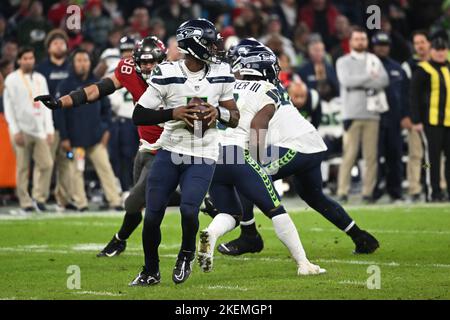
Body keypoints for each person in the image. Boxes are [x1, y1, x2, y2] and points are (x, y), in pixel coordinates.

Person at [206, 40, 378, 259]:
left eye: (235, 64)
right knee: (314, 197)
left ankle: (249, 235)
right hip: (308, 143)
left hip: (295, 145)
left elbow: (249, 131)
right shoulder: (264, 86)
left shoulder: (246, 89)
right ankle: (360, 236)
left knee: (245, 175)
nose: (233, 69)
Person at [198, 44, 327, 276]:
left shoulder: (225, 85)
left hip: (210, 156)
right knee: (276, 209)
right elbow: (258, 126)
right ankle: (304, 264)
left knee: (231, 213)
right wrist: (256, 162)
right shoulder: (268, 89)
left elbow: (201, 121)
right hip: (236, 154)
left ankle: (211, 233)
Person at [129, 18, 239, 286]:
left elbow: (234, 117)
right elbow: (138, 114)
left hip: (203, 153)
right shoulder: (167, 73)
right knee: (152, 214)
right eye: (210, 42)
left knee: (189, 210)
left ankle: (186, 255)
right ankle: (150, 271)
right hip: (170, 150)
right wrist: (173, 112)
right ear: (195, 43)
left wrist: (219, 112)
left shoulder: (221, 71)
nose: (215, 47)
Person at [35, 36, 167, 256]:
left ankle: (168, 260)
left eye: (153, 61)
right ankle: (120, 240)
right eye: (143, 62)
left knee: (139, 201)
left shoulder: (176, 76)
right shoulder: (127, 70)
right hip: (145, 147)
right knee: (136, 205)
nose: (148, 66)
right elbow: (98, 89)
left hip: (170, 148)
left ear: (162, 60)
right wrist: (62, 102)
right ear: (135, 61)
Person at [53, 49, 121, 211]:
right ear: (73, 63)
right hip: (76, 141)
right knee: (76, 171)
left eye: (85, 60)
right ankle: (81, 203)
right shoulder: (65, 85)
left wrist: (106, 131)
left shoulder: (97, 82)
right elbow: (59, 114)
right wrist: (64, 138)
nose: (83, 64)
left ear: (90, 63)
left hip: (96, 138)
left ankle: (115, 201)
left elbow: (107, 109)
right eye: (79, 60)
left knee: (105, 168)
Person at [335, 27, 389, 203]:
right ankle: (343, 191)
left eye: (363, 39)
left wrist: (363, 80)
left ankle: (368, 192)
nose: (360, 42)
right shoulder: (343, 61)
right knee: (349, 155)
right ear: (350, 42)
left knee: (371, 157)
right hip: (351, 113)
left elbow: (384, 80)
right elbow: (347, 81)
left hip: (372, 113)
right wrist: (369, 78)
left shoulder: (373, 59)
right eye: (357, 39)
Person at [3, 46, 54, 212]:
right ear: (19, 60)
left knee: (46, 164)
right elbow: (8, 107)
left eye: (31, 58)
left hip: (39, 128)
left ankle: (39, 198)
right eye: (25, 58)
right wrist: (15, 129)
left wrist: (49, 129)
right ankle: (25, 201)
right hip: (21, 129)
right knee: (23, 167)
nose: (28, 61)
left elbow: (47, 105)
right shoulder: (11, 79)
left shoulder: (40, 78)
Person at [410, 33, 450, 202]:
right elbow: (414, 96)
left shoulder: (449, 68)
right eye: (437, 50)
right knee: (430, 159)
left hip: (448, 121)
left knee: (449, 158)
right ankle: (432, 191)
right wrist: (417, 120)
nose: (440, 53)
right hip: (430, 122)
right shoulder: (423, 70)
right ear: (431, 51)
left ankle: (446, 189)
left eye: (443, 50)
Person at [36, 29, 73, 210]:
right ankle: (39, 198)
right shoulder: (41, 69)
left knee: (66, 162)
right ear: (48, 47)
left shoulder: (71, 67)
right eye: (55, 43)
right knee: (46, 162)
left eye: (62, 42)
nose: (59, 45)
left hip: (68, 123)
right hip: (49, 124)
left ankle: (63, 199)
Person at [371, 32, 408, 203]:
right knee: (374, 157)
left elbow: (406, 95)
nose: (382, 48)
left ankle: (396, 191)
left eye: (385, 45)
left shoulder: (397, 68)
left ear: (389, 47)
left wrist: (406, 116)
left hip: (394, 119)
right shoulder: (368, 66)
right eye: (379, 45)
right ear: (374, 46)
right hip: (374, 118)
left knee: (395, 156)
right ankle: (374, 190)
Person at [401, 30, 431, 202]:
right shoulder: (408, 66)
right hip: (415, 118)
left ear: (429, 44)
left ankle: (436, 185)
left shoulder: (440, 64)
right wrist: (406, 115)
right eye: (417, 43)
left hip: (436, 116)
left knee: (434, 156)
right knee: (416, 154)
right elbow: (404, 94)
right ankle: (415, 188)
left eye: (423, 42)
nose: (420, 46)